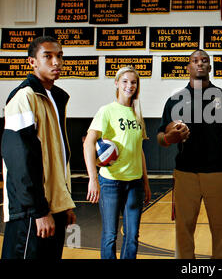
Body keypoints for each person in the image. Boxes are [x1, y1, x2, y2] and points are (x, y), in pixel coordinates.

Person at [157, 49, 222, 259]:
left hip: (218, 172)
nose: (200, 64)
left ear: (210, 67)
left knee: (220, 231)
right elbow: (160, 136)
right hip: (186, 173)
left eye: (204, 61)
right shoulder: (175, 100)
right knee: (183, 231)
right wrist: (170, 138)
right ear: (188, 67)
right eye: (195, 61)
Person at [1, 36, 76, 259]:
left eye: (60, 56)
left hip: (54, 207)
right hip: (31, 212)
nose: (56, 62)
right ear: (32, 62)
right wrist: (38, 211)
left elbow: (59, 158)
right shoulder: (23, 97)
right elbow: (20, 160)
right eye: (48, 56)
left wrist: (65, 203)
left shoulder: (56, 98)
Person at [83, 65, 151, 259]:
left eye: (134, 82)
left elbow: (140, 151)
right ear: (116, 83)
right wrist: (92, 178)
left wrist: (146, 182)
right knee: (110, 235)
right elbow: (88, 143)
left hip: (135, 183)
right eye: (125, 81)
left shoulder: (138, 114)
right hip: (111, 182)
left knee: (132, 236)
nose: (130, 85)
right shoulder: (107, 111)